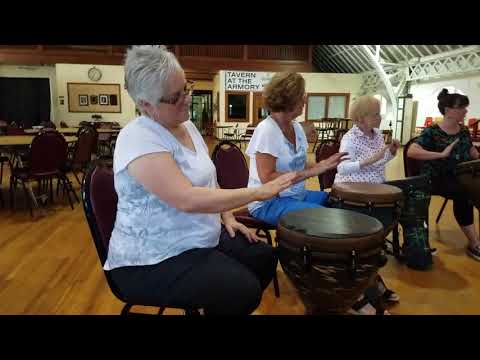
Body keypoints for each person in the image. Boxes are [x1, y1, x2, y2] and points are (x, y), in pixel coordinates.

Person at [105, 45, 297, 315]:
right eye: (175, 97)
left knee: (264, 258)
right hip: (152, 258)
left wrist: (228, 217)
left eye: (186, 87)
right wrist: (257, 193)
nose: (187, 98)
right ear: (145, 104)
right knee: (243, 290)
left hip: (199, 236)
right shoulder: (138, 138)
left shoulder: (189, 126)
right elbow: (187, 198)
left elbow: (209, 181)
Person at [246, 72, 347, 226]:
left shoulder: (297, 127)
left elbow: (299, 165)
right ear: (289, 99)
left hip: (296, 195)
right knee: (322, 217)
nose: (305, 99)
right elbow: (267, 178)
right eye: (301, 95)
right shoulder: (267, 129)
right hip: (267, 202)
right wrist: (313, 171)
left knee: (339, 200)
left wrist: (325, 164)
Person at [333, 95, 401, 315]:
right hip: (354, 194)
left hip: (374, 192)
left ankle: (370, 283)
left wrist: (390, 153)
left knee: (374, 244)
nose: (379, 117)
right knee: (365, 245)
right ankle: (363, 289)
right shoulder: (350, 139)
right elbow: (341, 169)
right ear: (361, 118)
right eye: (375, 114)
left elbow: (380, 162)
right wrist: (367, 161)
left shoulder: (377, 135)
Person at [407, 88, 480, 261]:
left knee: (470, 189)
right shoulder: (432, 132)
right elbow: (412, 151)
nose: (465, 111)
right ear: (448, 110)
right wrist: (440, 155)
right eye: (462, 107)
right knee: (464, 194)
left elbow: (471, 151)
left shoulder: (463, 131)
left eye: (465, 107)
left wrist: (477, 156)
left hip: (459, 176)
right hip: (435, 177)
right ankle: (474, 243)